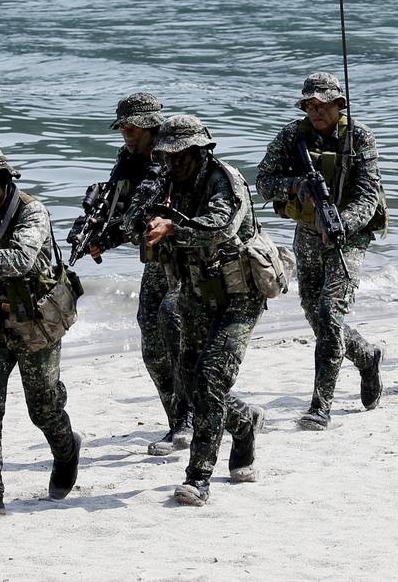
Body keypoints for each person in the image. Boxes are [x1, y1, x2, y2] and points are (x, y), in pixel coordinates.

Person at [126, 115, 265, 507]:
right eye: (166, 156)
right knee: (192, 386)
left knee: (208, 380)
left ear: (201, 151)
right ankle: (245, 423)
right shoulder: (167, 180)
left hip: (238, 295)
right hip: (194, 295)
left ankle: (198, 477)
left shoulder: (225, 180)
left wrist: (172, 227)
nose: (171, 163)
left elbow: (219, 226)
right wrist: (144, 222)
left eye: (179, 156)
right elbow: (134, 219)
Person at [0, 146, 81, 525]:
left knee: (42, 407)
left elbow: (20, 259)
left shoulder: (31, 211)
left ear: (5, 179)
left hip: (34, 323)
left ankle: (67, 449)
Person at [255, 72, 385, 431]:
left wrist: (343, 223)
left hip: (349, 237)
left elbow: (369, 193)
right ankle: (366, 356)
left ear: (338, 105)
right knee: (315, 314)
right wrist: (295, 186)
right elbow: (263, 180)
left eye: (322, 105)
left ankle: (320, 405)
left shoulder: (359, 137)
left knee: (330, 315)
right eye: (309, 105)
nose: (315, 111)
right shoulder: (292, 135)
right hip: (308, 235)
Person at [81, 92, 189, 455]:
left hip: (190, 259)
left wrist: (114, 233)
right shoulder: (128, 158)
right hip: (158, 260)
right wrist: (100, 235)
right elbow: (121, 206)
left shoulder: (172, 155)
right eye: (123, 127)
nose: (126, 133)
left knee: (178, 334)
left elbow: (145, 213)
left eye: (133, 127)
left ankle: (190, 422)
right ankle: (179, 420)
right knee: (151, 337)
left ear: (150, 126)